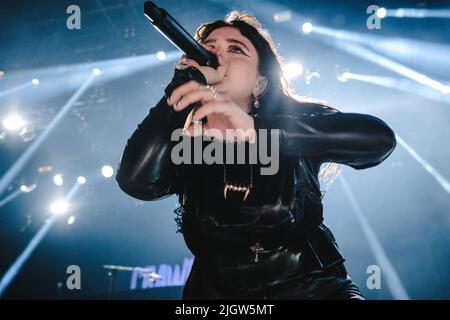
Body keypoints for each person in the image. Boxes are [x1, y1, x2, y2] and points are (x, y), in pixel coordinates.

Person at [115, 11, 396, 300]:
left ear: (260, 83)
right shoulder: (184, 142)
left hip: (314, 290)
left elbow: (379, 140)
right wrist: (179, 92)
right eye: (208, 48)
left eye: (235, 49)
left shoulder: (294, 123)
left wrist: (256, 129)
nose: (216, 55)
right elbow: (136, 181)